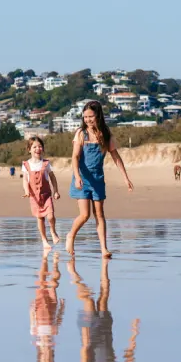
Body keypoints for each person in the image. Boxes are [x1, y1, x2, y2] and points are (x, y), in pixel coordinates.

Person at [68, 258, 140, 362]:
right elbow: (129, 354)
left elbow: (85, 349)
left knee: (88, 298)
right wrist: (134, 331)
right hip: (106, 328)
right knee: (104, 295)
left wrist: (87, 331)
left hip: (90, 330)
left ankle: (72, 272)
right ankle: (104, 266)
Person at [65, 101, 134, 257]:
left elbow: (116, 157)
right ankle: (71, 235)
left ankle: (103, 248)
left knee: (100, 214)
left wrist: (126, 178)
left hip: (97, 179)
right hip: (82, 178)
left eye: (91, 116)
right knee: (84, 215)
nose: (88, 120)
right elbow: (75, 157)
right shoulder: (81, 133)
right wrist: (76, 177)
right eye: (85, 117)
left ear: (98, 116)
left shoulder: (106, 134)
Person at [21, 136, 61, 250]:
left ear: (42, 148)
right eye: (34, 147)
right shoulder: (26, 164)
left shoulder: (46, 163)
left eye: (39, 146)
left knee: (51, 215)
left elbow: (52, 177)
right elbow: (25, 179)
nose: (37, 148)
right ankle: (44, 240)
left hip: (46, 194)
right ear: (29, 149)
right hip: (34, 196)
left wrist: (56, 191)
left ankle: (53, 232)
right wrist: (26, 191)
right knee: (40, 218)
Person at [30, 252, 65, 362]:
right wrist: (62, 308)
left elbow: (32, 320)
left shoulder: (35, 335)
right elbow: (58, 320)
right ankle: (55, 263)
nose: (47, 355)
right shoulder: (54, 334)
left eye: (45, 358)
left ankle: (44, 260)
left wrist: (31, 308)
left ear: (40, 354)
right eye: (48, 358)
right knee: (53, 285)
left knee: (41, 283)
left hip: (39, 306)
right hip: (53, 305)